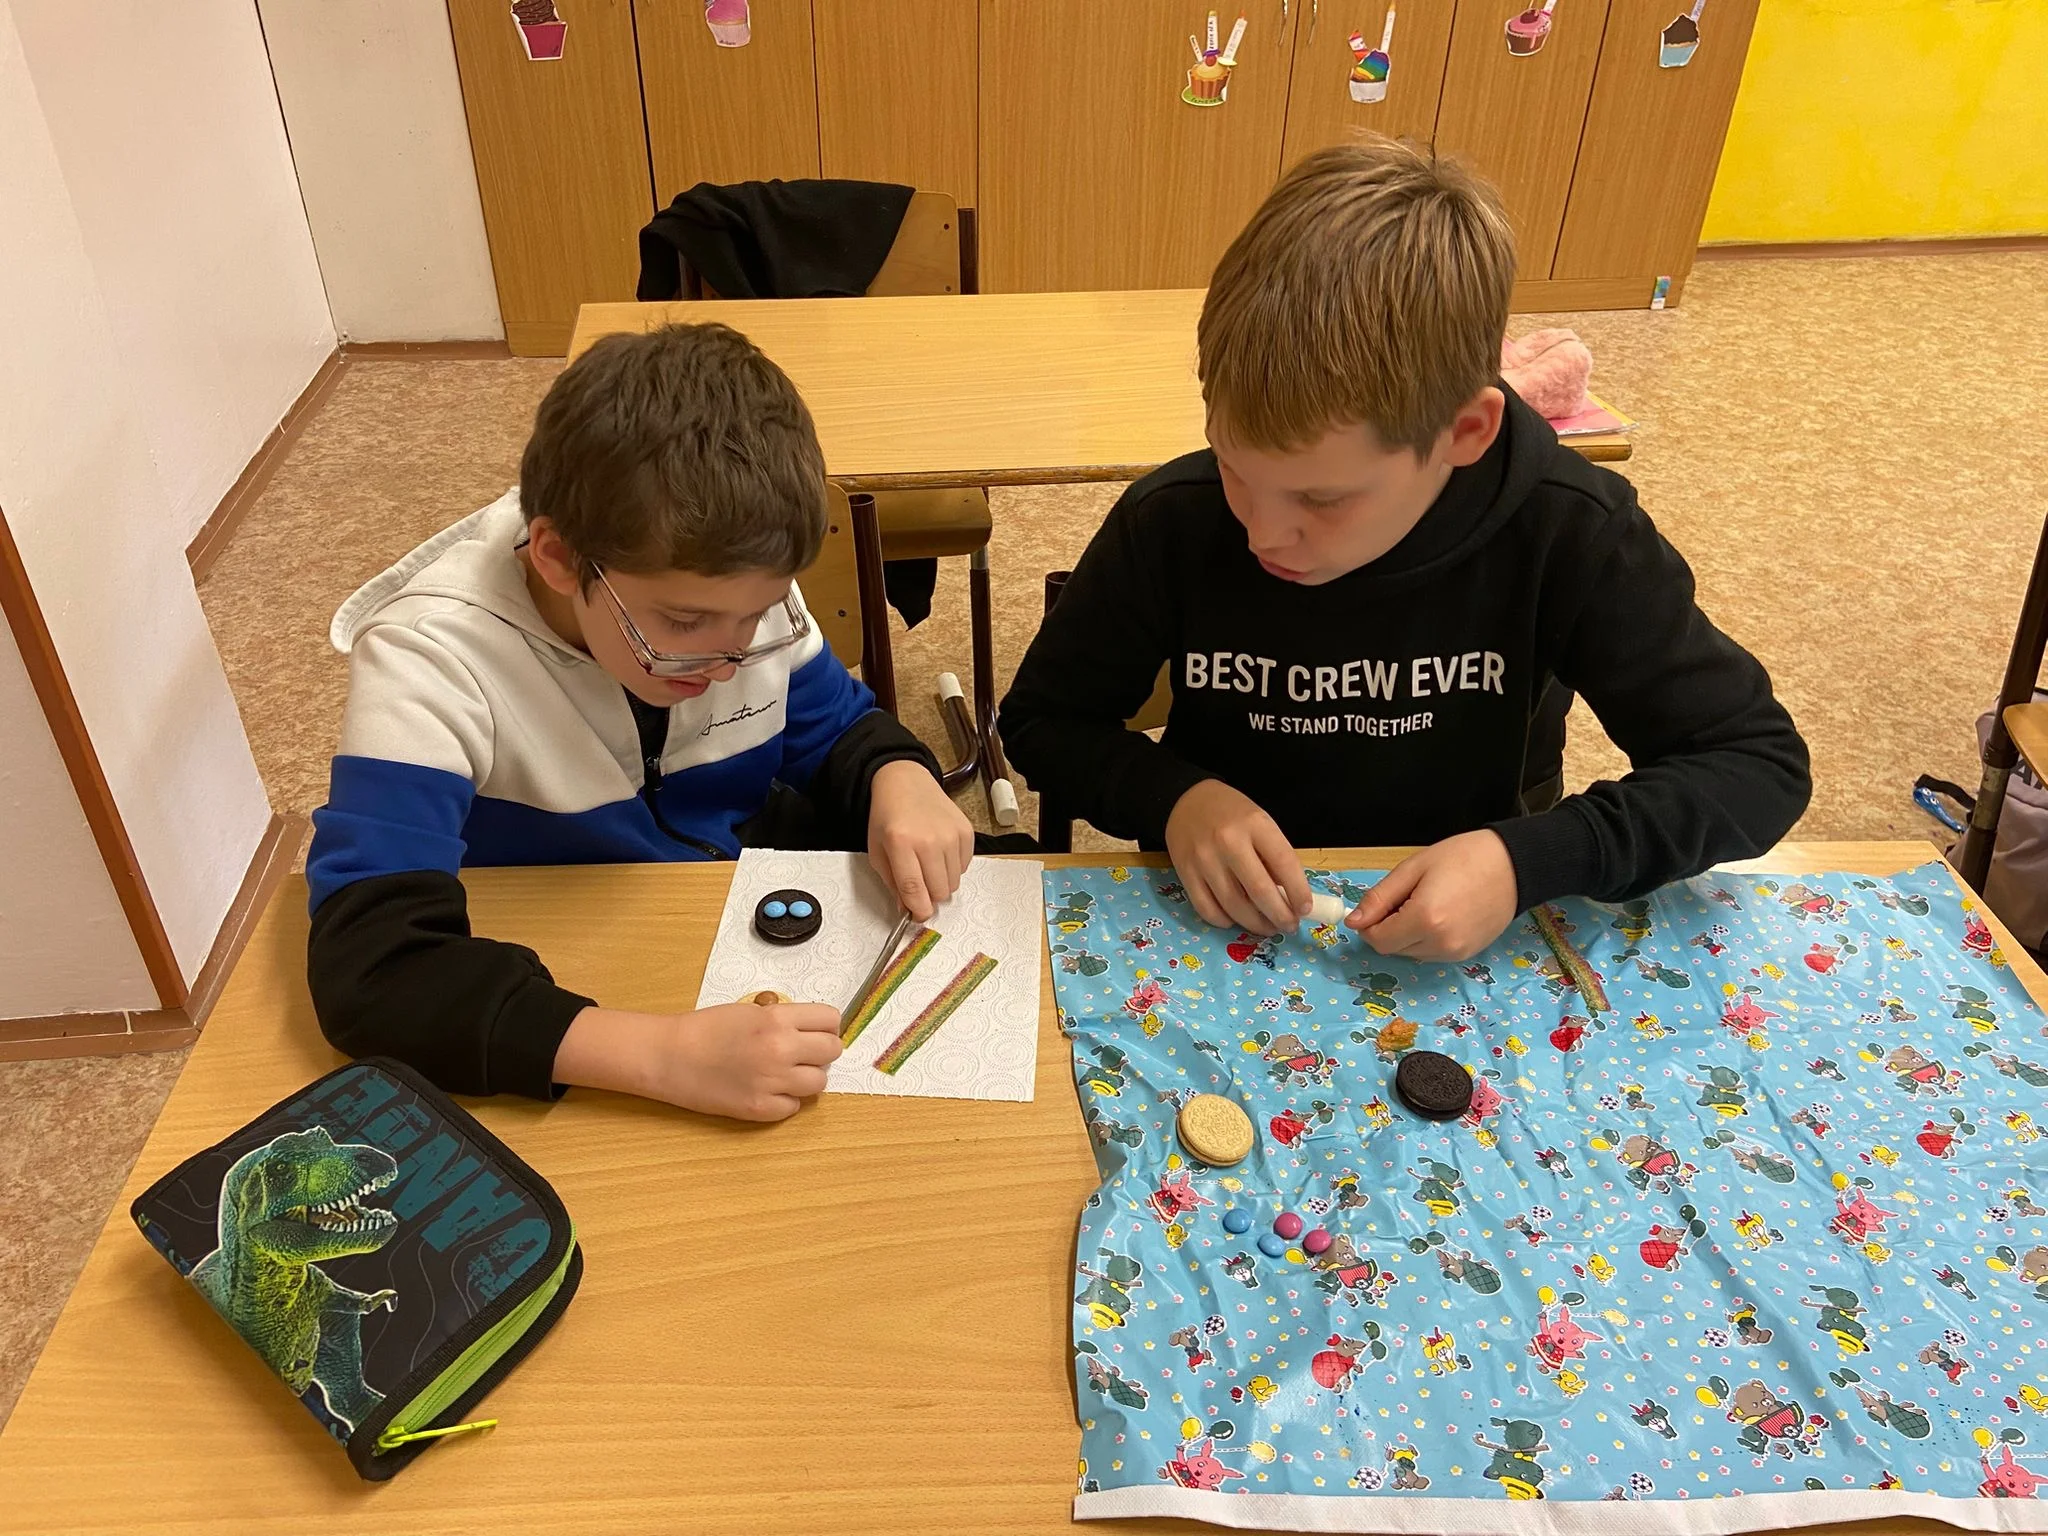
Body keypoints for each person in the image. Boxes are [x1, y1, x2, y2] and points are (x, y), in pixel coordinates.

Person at [999, 137, 1809, 961]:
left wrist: (1525, 860)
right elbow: (1043, 722)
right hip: (1223, 929)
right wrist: (1177, 801)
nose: (1262, 532)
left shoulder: (1568, 529)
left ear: (1466, 432)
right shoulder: (1172, 519)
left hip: (1471, 938)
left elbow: (1756, 764)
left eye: (1323, 498)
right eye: (1235, 467)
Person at [306, 323, 973, 1118]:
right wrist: (661, 1058)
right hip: (579, 970)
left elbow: (834, 730)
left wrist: (899, 776)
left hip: (718, 920)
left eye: (758, 615)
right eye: (685, 623)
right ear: (558, 558)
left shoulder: (733, 582)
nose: (730, 658)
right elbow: (371, 971)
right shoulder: (428, 659)